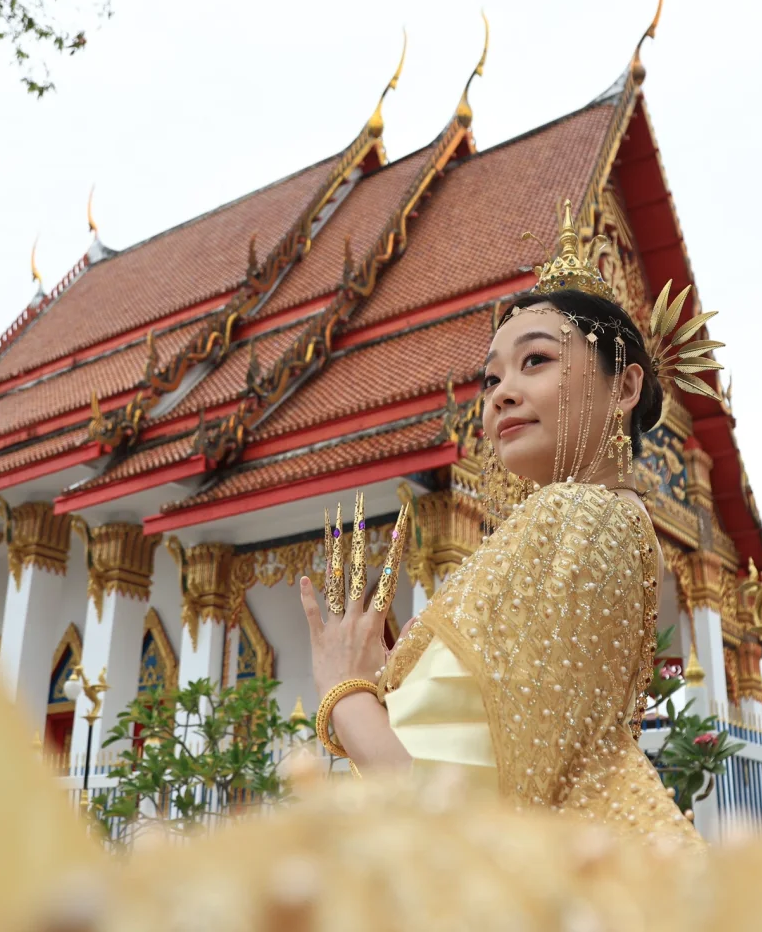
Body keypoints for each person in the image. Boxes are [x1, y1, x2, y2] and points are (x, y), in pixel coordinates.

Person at [299, 202, 725, 847]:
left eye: (536, 361)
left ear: (625, 385)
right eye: (491, 377)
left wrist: (344, 693)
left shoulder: (575, 516)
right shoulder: (609, 524)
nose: (498, 393)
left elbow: (467, 831)